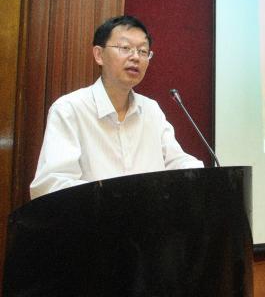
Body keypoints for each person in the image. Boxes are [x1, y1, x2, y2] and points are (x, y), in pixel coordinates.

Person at [30, 15, 203, 199]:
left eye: (143, 51)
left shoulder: (151, 110)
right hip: (95, 217)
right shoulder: (69, 109)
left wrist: (203, 177)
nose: (135, 57)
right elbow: (51, 184)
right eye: (125, 48)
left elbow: (177, 162)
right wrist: (115, 197)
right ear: (99, 55)